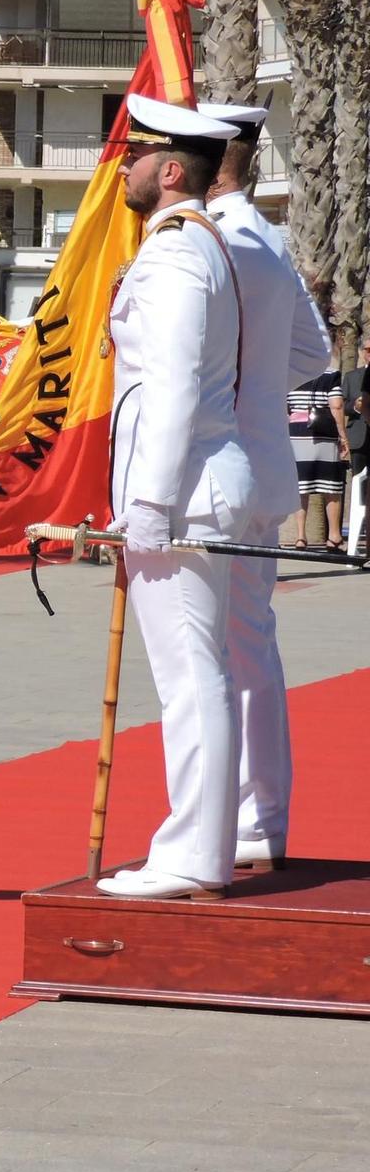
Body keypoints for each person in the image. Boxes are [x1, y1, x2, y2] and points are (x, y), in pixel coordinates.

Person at [96, 95, 251, 901]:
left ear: (167, 171)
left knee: (192, 679)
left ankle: (193, 854)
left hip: (183, 496)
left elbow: (174, 390)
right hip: (192, 489)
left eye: (131, 159)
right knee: (200, 675)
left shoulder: (175, 257)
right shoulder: (188, 246)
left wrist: (147, 507)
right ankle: (198, 848)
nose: (120, 171)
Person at [198, 100, 334, 872]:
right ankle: (262, 819)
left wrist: (232, 388)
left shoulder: (217, 239)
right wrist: (254, 390)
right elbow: (312, 353)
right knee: (251, 646)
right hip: (262, 465)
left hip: (218, 471)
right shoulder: (269, 238)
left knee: (210, 653)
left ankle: (232, 822)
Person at [286, 367, 347, 549]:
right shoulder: (331, 374)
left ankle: (300, 536)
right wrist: (343, 436)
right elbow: (336, 405)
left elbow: (284, 405)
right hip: (325, 433)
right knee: (331, 487)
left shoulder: (291, 370)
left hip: (296, 432)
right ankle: (334, 536)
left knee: (301, 487)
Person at [342, 336, 369, 558]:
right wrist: (356, 406)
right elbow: (343, 406)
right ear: (361, 352)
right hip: (359, 439)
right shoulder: (351, 377)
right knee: (360, 487)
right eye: (368, 349)